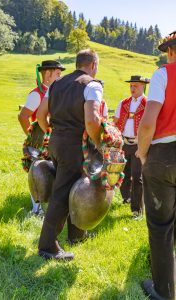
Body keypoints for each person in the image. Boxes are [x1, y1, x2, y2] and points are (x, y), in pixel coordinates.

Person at [36, 49, 105, 260]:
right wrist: (99, 142)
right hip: (76, 145)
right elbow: (92, 121)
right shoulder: (92, 85)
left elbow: (40, 115)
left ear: (77, 64)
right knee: (63, 193)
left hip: (56, 142)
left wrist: (52, 131)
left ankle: (77, 234)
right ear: (93, 65)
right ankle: (47, 246)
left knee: (75, 186)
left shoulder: (56, 84)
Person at [137, 31, 176, 300]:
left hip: (164, 154)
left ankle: (164, 291)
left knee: (161, 226)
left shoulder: (164, 73)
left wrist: (141, 152)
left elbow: (149, 121)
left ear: (171, 51)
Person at [18, 60, 65, 215]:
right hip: (39, 142)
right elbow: (23, 116)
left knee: (49, 172)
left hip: (51, 139)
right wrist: (31, 136)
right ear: (48, 74)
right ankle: (36, 210)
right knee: (37, 174)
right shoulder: (36, 94)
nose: (60, 77)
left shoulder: (52, 92)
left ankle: (48, 205)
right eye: (58, 73)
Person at [114, 75, 150, 220]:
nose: (132, 88)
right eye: (131, 85)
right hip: (123, 143)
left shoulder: (148, 104)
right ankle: (126, 198)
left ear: (143, 86)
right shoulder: (123, 103)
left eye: (135, 85)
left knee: (137, 176)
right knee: (123, 174)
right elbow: (115, 121)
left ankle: (137, 210)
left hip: (139, 144)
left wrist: (144, 146)